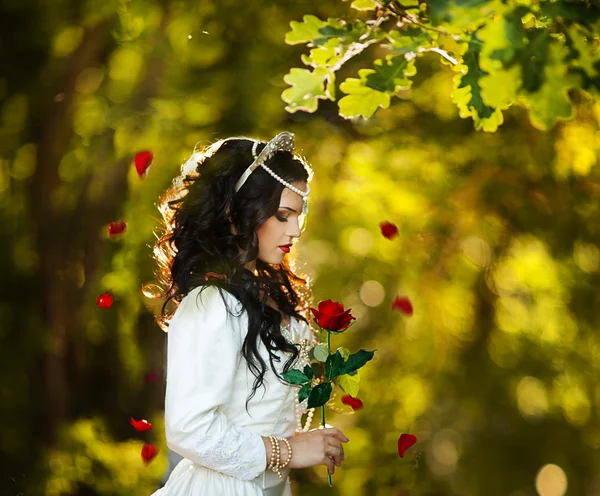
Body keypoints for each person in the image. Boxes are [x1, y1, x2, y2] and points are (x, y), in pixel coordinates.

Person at [145, 132, 350, 496]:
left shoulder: (266, 296)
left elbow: (254, 416)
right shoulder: (212, 303)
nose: (297, 230)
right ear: (237, 213)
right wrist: (288, 450)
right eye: (283, 215)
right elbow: (189, 428)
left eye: (298, 216)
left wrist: (308, 441)